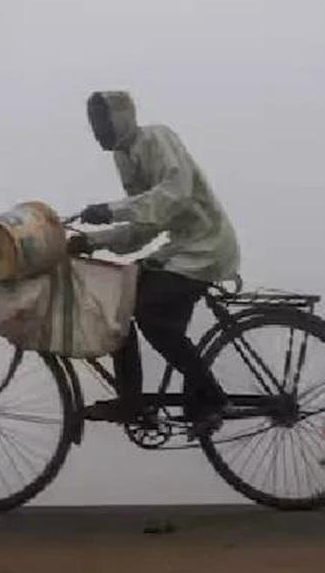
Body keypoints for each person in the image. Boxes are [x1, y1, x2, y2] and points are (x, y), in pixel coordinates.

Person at [67, 91, 240, 437]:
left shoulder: (156, 137)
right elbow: (146, 225)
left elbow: (175, 194)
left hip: (207, 245)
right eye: (93, 124)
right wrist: (92, 240)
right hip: (179, 248)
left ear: (121, 117)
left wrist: (111, 210)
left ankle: (214, 398)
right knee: (121, 302)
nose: (97, 130)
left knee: (150, 314)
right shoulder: (124, 158)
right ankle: (133, 399)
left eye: (102, 121)